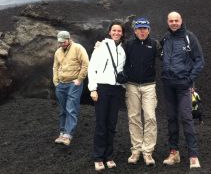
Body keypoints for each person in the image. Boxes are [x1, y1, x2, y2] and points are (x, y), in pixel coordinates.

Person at [161, 11, 205, 169]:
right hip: (168, 85)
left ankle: (193, 156)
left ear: (181, 21)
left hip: (184, 85)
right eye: (171, 20)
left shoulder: (189, 37)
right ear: (168, 22)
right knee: (171, 119)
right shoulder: (165, 38)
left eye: (176, 20)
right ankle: (174, 153)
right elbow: (163, 57)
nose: (174, 23)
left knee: (186, 118)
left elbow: (200, 60)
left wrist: (189, 79)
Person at [88, 21, 126, 172]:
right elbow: (92, 68)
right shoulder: (101, 47)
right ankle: (98, 157)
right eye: (114, 30)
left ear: (122, 33)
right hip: (102, 89)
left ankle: (109, 156)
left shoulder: (122, 50)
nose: (116, 33)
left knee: (112, 124)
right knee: (101, 124)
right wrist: (93, 89)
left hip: (116, 90)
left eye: (119, 31)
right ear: (109, 32)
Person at [124, 17, 158, 166]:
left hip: (149, 86)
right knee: (134, 117)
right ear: (135, 30)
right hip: (131, 86)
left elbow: (168, 59)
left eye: (145, 28)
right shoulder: (128, 44)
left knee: (150, 117)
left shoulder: (155, 44)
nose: (142, 31)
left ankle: (148, 152)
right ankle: (136, 149)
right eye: (139, 28)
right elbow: (119, 60)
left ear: (149, 30)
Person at [53, 30, 89, 146]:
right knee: (63, 110)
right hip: (61, 85)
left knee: (71, 109)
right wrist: (56, 81)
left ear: (69, 39)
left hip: (73, 84)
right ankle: (62, 132)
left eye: (63, 41)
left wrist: (79, 79)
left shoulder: (78, 48)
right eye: (60, 42)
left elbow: (85, 64)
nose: (61, 44)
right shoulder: (58, 52)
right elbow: (55, 67)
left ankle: (68, 135)